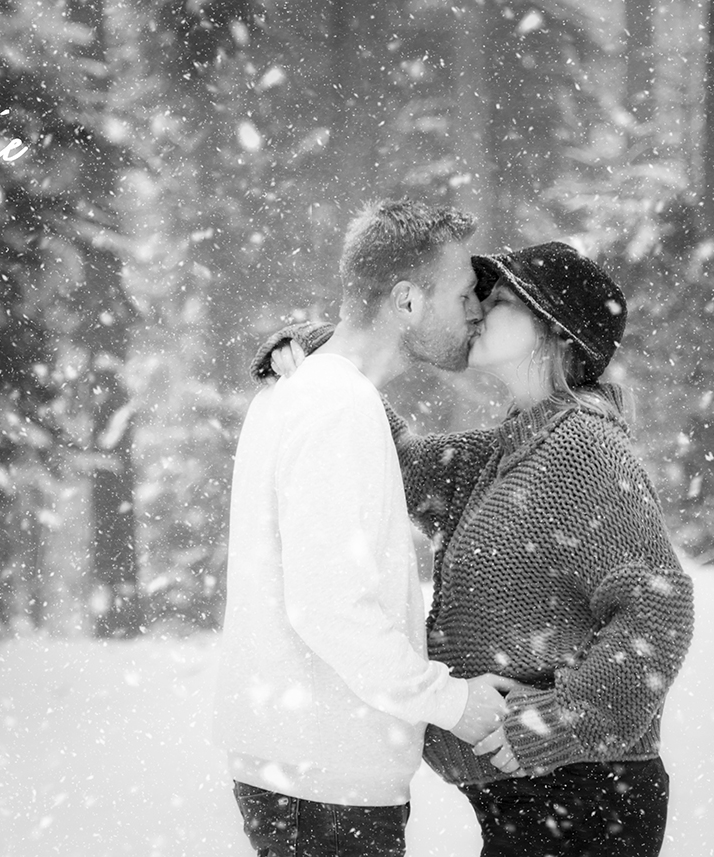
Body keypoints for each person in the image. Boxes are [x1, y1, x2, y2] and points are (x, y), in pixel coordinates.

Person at [258, 241, 695, 857]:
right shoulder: (503, 452)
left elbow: (659, 608)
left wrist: (561, 721)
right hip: (534, 798)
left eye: (502, 298)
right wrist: (331, 354)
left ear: (556, 330)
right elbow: (394, 461)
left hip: (586, 797)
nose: (479, 308)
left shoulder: (582, 449)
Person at [212, 199, 520, 857]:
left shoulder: (307, 390)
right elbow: (329, 606)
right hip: (325, 782)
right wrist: (450, 701)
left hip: (309, 769)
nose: (476, 310)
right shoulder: (336, 405)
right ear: (406, 301)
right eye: (463, 293)